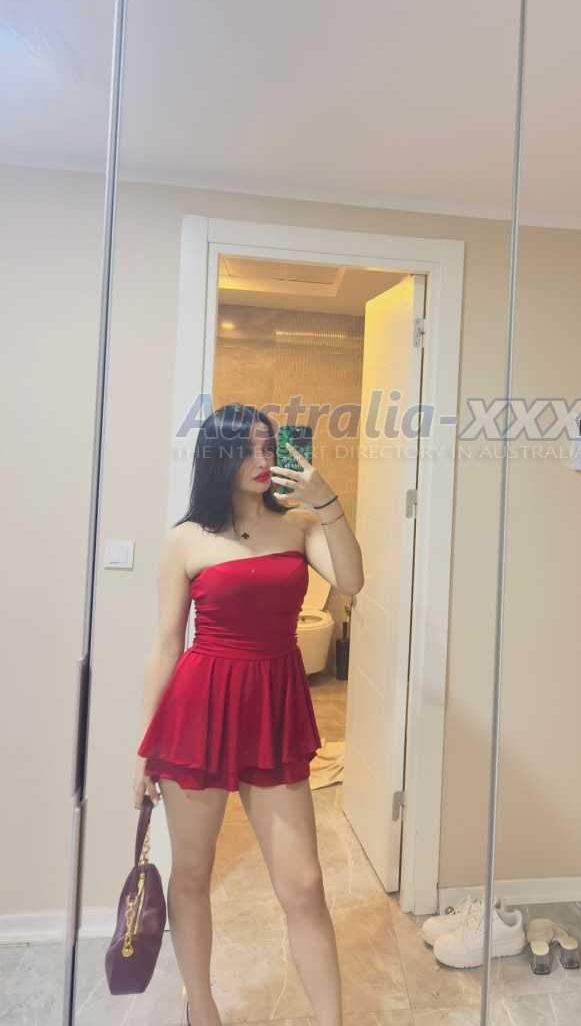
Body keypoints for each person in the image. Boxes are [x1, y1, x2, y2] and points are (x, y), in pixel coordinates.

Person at [133, 403, 364, 1026]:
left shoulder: (299, 526)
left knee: (305, 886)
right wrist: (144, 751)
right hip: (198, 711)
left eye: (270, 446)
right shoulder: (185, 539)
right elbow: (165, 646)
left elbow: (351, 580)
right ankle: (202, 1011)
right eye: (249, 449)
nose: (264, 459)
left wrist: (326, 499)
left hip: (274, 709)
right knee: (191, 875)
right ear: (219, 457)